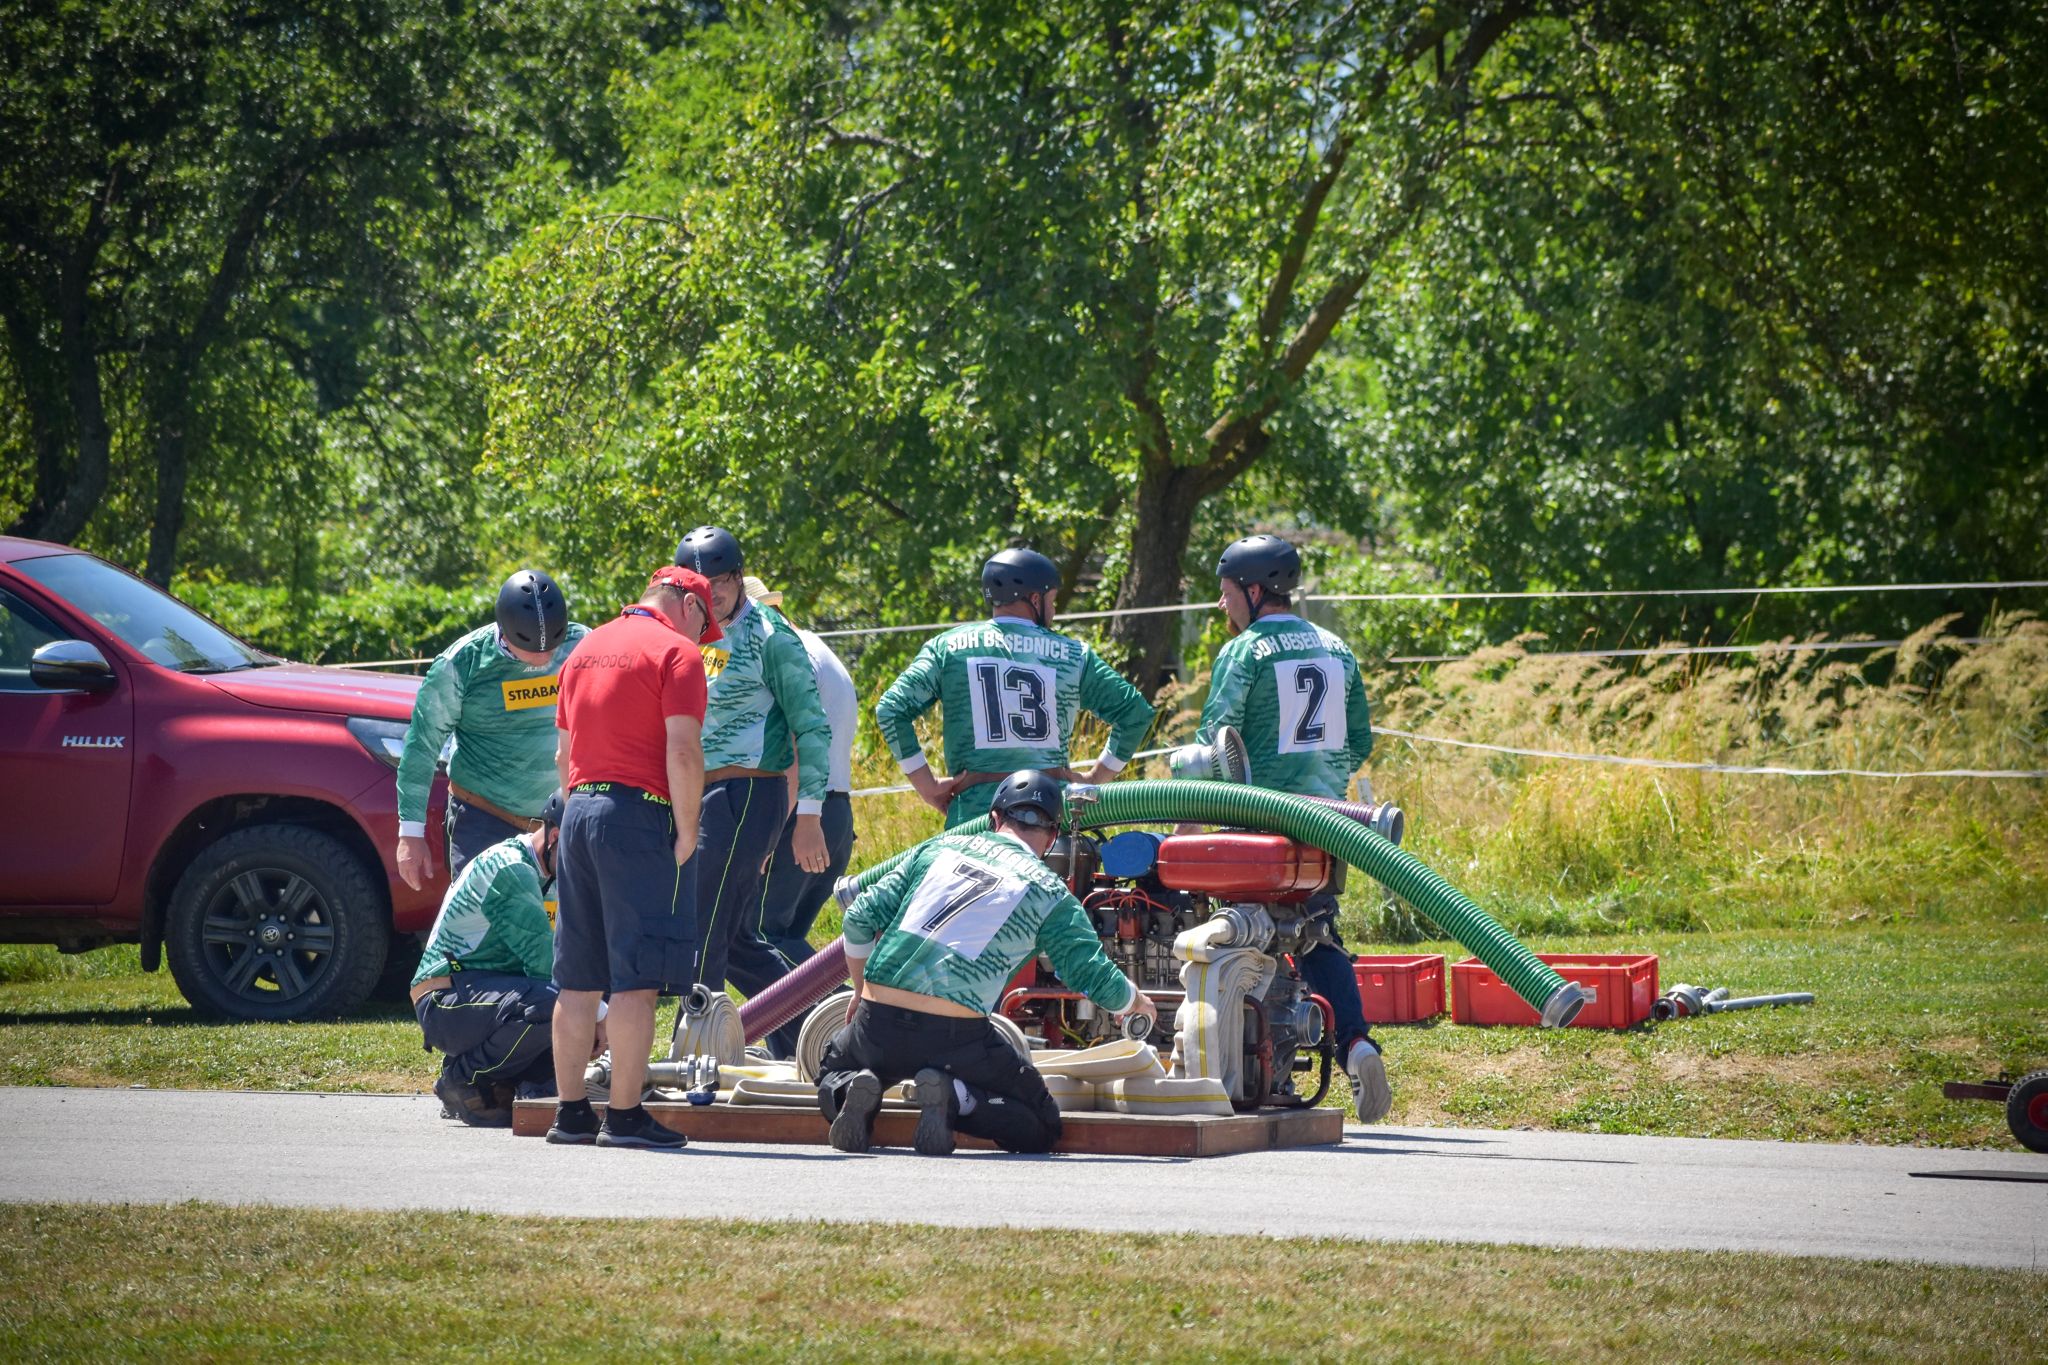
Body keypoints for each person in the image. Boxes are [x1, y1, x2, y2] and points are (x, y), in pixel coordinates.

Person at [819, 771, 1158, 1155]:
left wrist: (860, 990)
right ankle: (957, 1096)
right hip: (955, 1037)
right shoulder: (1049, 891)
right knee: (1041, 1124)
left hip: (876, 1021)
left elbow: (858, 917)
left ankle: (852, 1089)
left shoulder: (938, 849)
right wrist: (1134, 1002)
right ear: (1051, 837)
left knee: (831, 1071)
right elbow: (1088, 971)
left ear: (994, 818)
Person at [1195, 532, 1390, 1122]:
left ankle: (1251, 1064)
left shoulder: (1245, 651)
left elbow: (1213, 743)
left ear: (1254, 591)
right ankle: (1355, 1043)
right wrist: (1322, 782)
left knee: (1240, 936)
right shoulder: (1337, 648)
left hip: (1257, 823)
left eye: (1227, 593)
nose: (1223, 604)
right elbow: (1360, 740)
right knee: (1317, 934)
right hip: (1330, 823)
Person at [545, 566, 717, 1150]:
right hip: (638, 816)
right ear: (688, 605)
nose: (702, 638)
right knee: (636, 980)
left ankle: (570, 1113)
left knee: (577, 980)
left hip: (577, 810)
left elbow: (563, 755)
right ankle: (623, 1116)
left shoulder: (584, 649)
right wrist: (688, 830)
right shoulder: (676, 653)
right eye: (704, 625)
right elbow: (683, 750)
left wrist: (580, 815)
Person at [876, 547, 1154, 829]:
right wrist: (1095, 778)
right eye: (1052, 601)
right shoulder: (1074, 655)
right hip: (1049, 817)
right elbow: (1136, 713)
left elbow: (890, 709)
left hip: (972, 818)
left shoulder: (945, 648)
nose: (1054, 610)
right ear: (1035, 599)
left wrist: (927, 785)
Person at [672, 528, 833, 998]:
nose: (711, 593)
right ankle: (808, 1024)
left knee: (702, 928)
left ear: (739, 577)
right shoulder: (691, 633)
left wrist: (809, 817)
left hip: (746, 794)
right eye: (698, 585)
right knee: (735, 940)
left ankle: (695, 1036)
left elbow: (812, 727)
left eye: (721, 581)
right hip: (702, 795)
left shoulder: (770, 636)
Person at [726, 576, 860, 1059]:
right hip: (834, 809)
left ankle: (845, 1024)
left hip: (801, 813)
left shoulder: (784, 655)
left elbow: (797, 751)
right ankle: (798, 1045)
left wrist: (770, 836)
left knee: (752, 936)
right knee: (783, 939)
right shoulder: (819, 649)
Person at [395, 569, 588, 888]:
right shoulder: (461, 663)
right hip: (485, 820)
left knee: (560, 922)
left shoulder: (583, 645)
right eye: (532, 649)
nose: (544, 657)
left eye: (553, 646)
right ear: (506, 632)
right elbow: (421, 747)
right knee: (487, 919)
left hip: (561, 823)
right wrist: (410, 834)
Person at [411, 790, 572, 1128]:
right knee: (553, 1007)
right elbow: (544, 963)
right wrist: (597, 1016)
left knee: (574, 1004)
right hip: (443, 999)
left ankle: (517, 1084)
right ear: (555, 836)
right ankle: (461, 1078)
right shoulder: (511, 868)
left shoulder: (551, 874)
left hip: (484, 993)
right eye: (581, 853)